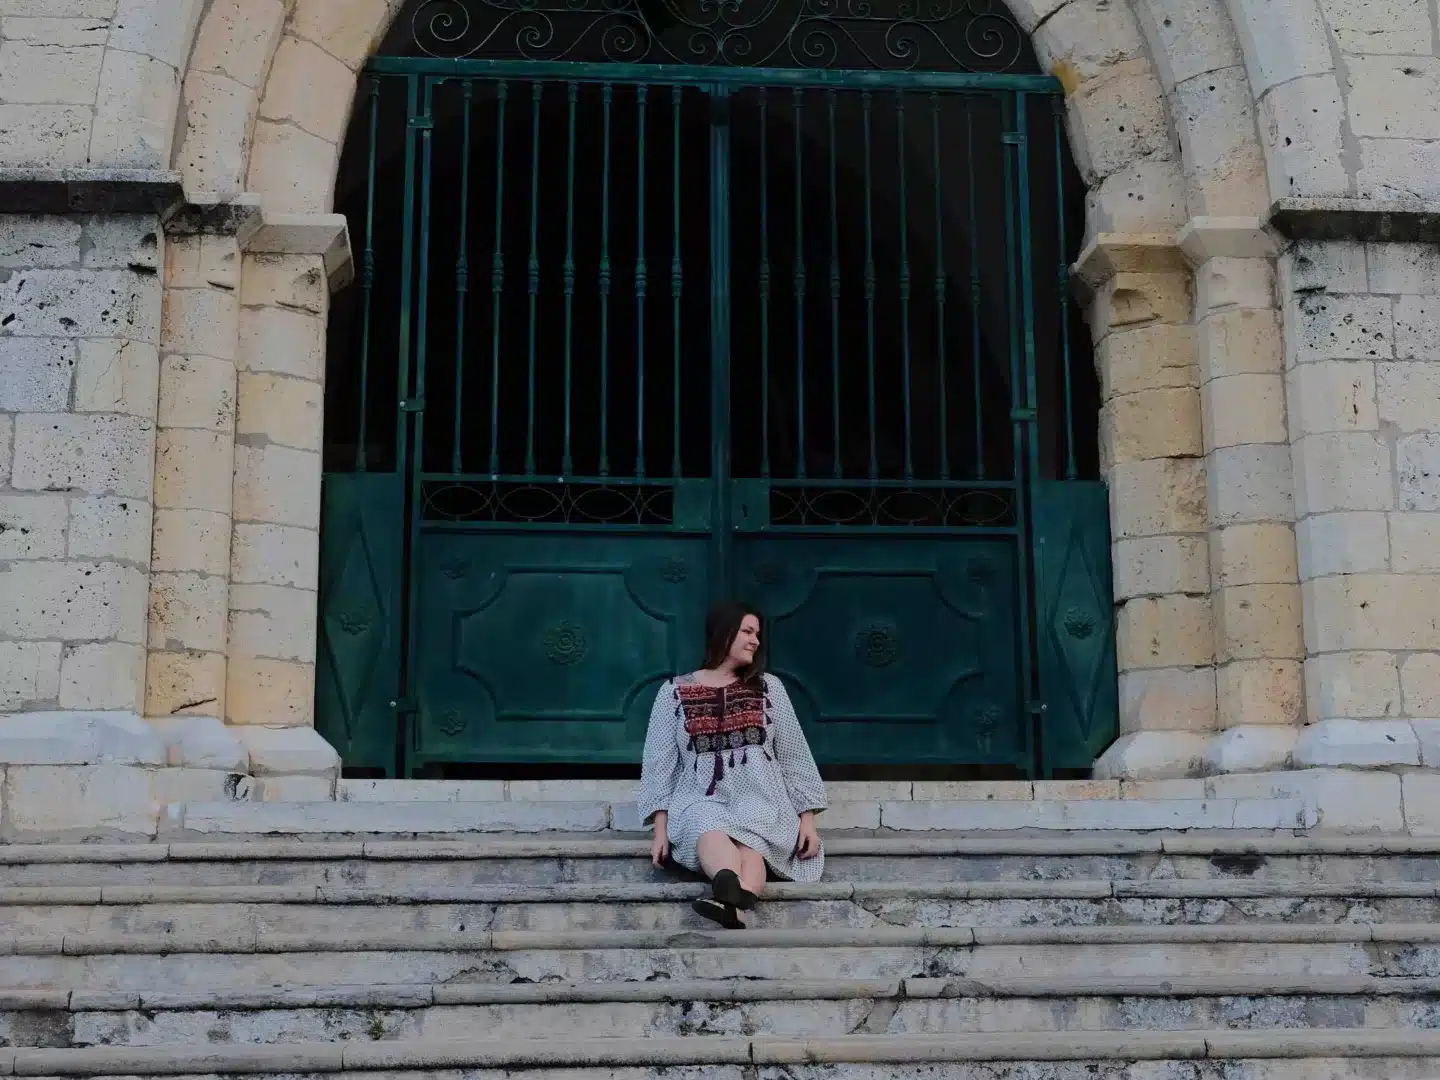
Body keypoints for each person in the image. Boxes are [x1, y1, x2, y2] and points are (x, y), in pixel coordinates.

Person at [636, 600, 827, 929]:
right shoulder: (673, 692)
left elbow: (794, 754)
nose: (755, 640)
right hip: (700, 796)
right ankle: (730, 890)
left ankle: (732, 901)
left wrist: (807, 819)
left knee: (751, 841)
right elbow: (659, 764)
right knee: (704, 822)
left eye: (758, 634)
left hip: (762, 797)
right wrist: (660, 830)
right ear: (724, 634)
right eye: (747, 631)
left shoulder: (769, 688)